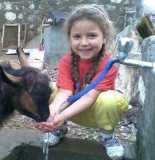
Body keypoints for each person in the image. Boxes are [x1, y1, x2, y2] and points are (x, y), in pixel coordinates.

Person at [35, 4, 128, 160]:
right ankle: (58, 129)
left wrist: (61, 115)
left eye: (91, 36)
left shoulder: (109, 64)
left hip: (97, 114)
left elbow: (89, 97)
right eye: (77, 37)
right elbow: (65, 92)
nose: (84, 43)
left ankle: (107, 137)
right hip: (71, 110)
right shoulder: (66, 61)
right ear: (70, 38)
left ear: (104, 36)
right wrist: (50, 115)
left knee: (110, 99)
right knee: (50, 89)